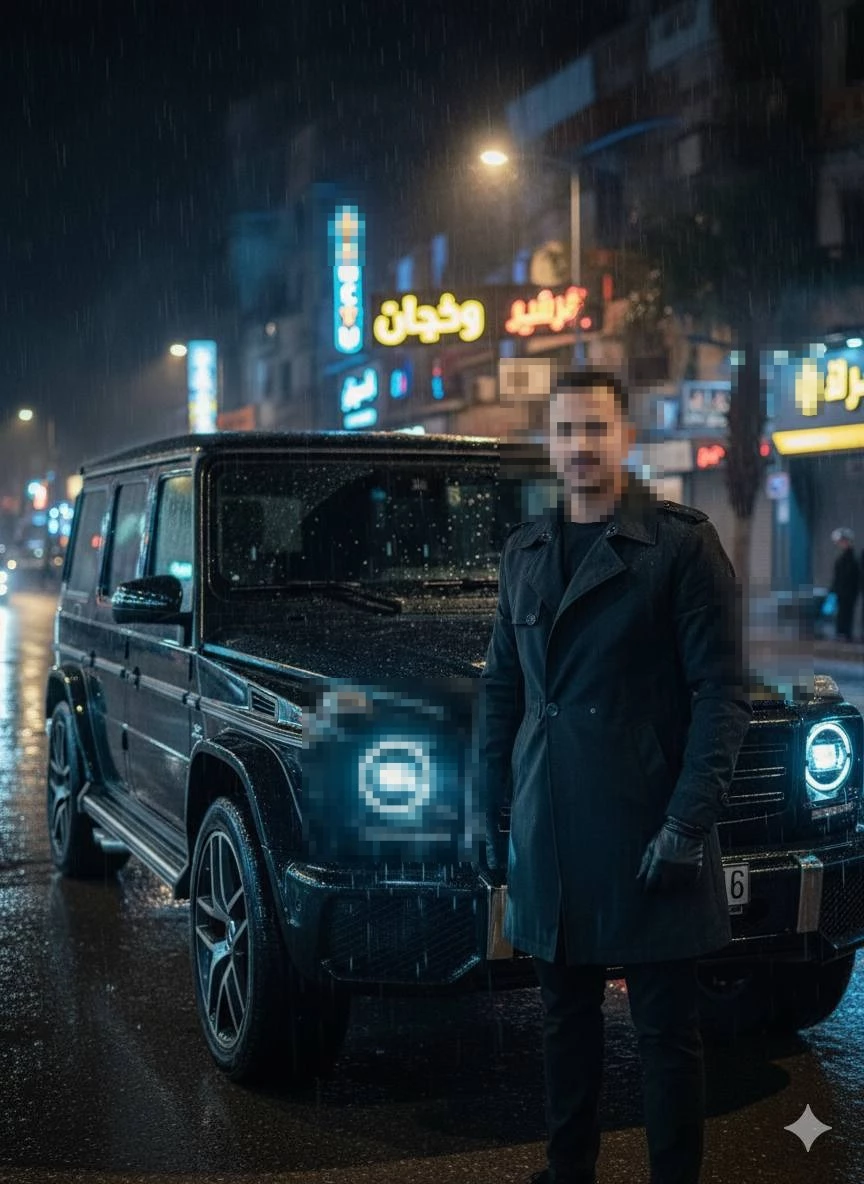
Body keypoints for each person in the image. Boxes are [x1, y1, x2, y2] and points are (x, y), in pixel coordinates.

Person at [481, 369, 752, 1184]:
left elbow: (721, 694)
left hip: (647, 832)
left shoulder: (678, 545)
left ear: (626, 438)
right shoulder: (525, 552)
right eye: (566, 432)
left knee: (666, 1034)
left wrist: (685, 824)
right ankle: (570, 1173)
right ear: (552, 446)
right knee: (564, 1023)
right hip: (552, 830)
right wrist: (485, 807)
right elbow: (503, 687)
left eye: (596, 429)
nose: (580, 448)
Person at [829, 527, 858, 642]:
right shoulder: (843, 559)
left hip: (846, 592)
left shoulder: (849, 559)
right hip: (842, 591)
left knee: (845, 613)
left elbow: (849, 576)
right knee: (842, 613)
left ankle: (844, 633)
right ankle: (842, 633)